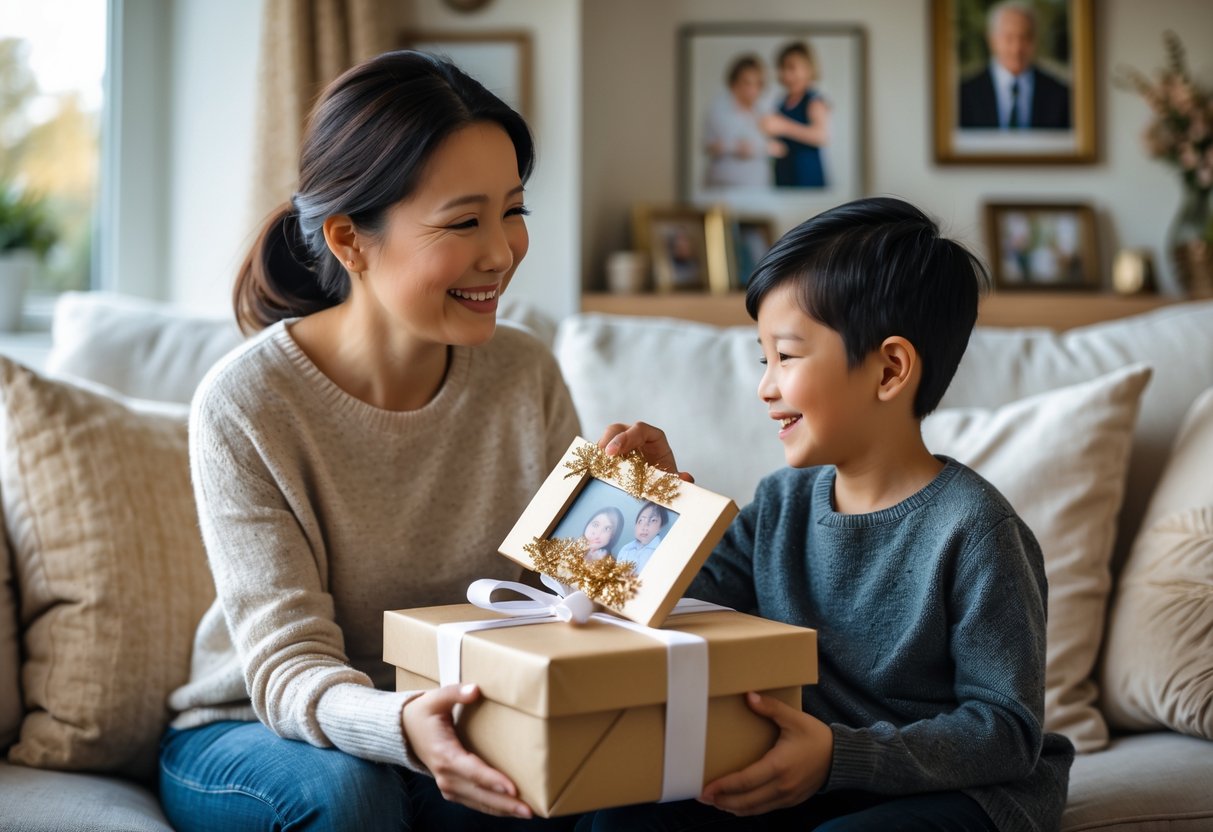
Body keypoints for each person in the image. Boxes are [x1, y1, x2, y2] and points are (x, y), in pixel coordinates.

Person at [157, 51, 583, 831]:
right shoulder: (247, 401)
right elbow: (286, 670)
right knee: (352, 797)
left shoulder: (524, 373)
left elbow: (568, 609)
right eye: (464, 221)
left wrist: (629, 505)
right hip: (257, 729)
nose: (501, 252)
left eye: (513, 210)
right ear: (350, 240)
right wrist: (399, 727)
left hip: (461, 715)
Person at [585, 197, 1075, 831]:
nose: (765, 385)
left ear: (890, 369)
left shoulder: (977, 531)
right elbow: (674, 607)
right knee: (624, 817)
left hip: (960, 789)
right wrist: (653, 502)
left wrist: (840, 756)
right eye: (764, 360)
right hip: (814, 776)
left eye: (786, 356)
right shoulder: (781, 506)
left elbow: (1006, 732)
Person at [959, 0, 1072, 130]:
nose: (1017, 48)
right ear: (991, 39)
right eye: (1009, 38)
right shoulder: (964, 95)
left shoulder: (1061, 95)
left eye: (1025, 38)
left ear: (1035, 40)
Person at [702, 55, 784, 189]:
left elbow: (777, 148)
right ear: (734, 83)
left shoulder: (764, 112)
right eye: (747, 83)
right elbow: (709, 145)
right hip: (724, 186)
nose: (753, 90)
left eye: (758, 84)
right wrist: (736, 147)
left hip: (758, 186)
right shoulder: (718, 111)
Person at [763, 42, 829, 189]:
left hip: (807, 178)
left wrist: (783, 126)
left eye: (792, 68)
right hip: (784, 176)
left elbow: (821, 136)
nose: (787, 75)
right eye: (783, 68)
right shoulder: (781, 103)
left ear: (809, 69)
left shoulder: (814, 100)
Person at [615, 501, 670, 573]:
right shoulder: (626, 549)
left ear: (661, 527)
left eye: (653, 520)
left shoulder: (661, 553)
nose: (644, 527)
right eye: (641, 520)